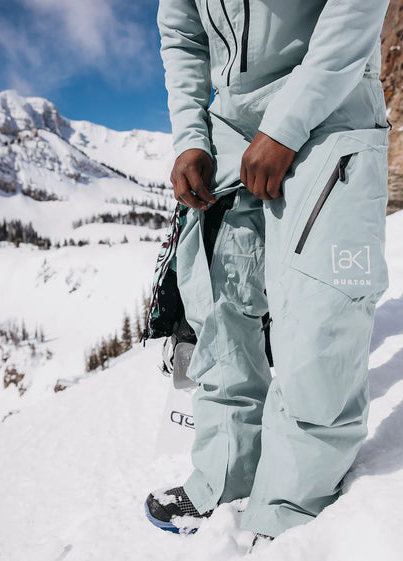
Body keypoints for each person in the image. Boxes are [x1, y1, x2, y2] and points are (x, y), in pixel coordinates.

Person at [145, 0, 391, 545]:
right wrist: (191, 136)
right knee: (220, 314)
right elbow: (182, 34)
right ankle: (227, 473)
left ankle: (291, 510)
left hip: (330, 106)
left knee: (318, 317)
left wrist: (285, 125)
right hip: (229, 128)